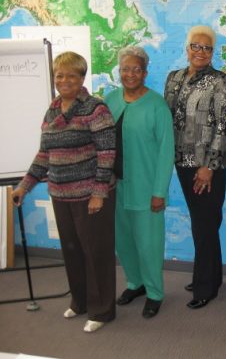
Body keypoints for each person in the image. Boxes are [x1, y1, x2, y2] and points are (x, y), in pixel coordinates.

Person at [12, 52, 116, 333]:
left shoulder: (96, 108)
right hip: (60, 194)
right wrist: (24, 185)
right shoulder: (53, 109)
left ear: (82, 78)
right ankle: (80, 301)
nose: (64, 80)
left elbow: (108, 153)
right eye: (60, 75)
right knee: (72, 251)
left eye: (71, 75)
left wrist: (99, 192)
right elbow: (45, 153)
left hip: (91, 196)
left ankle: (102, 310)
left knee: (96, 253)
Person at [164, 25, 226, 309]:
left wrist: (208, 166)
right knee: (201, 222)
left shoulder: (223, 83)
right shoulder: (174, 78)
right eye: (196, 46)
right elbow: (167, 117)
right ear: (187, 48)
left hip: (207, 167)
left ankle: (206, 287)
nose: (201, 52)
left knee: (206, 224)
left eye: (207, 48)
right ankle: (210, 275)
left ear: (212, 52)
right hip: (181, 163)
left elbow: (224, 127)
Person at [105, 46, 174, 319]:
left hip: (146, 189)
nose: (130, 74)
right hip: (115, 187)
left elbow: (167, 151)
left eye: (136, 69)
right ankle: (136, 283)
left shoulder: (157, 105)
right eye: (125, 69)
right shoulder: (110, 100)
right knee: (124, 242)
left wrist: (159, 192)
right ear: (119, 72)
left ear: (145, 73)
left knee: (149, 244)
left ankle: (155, 293)